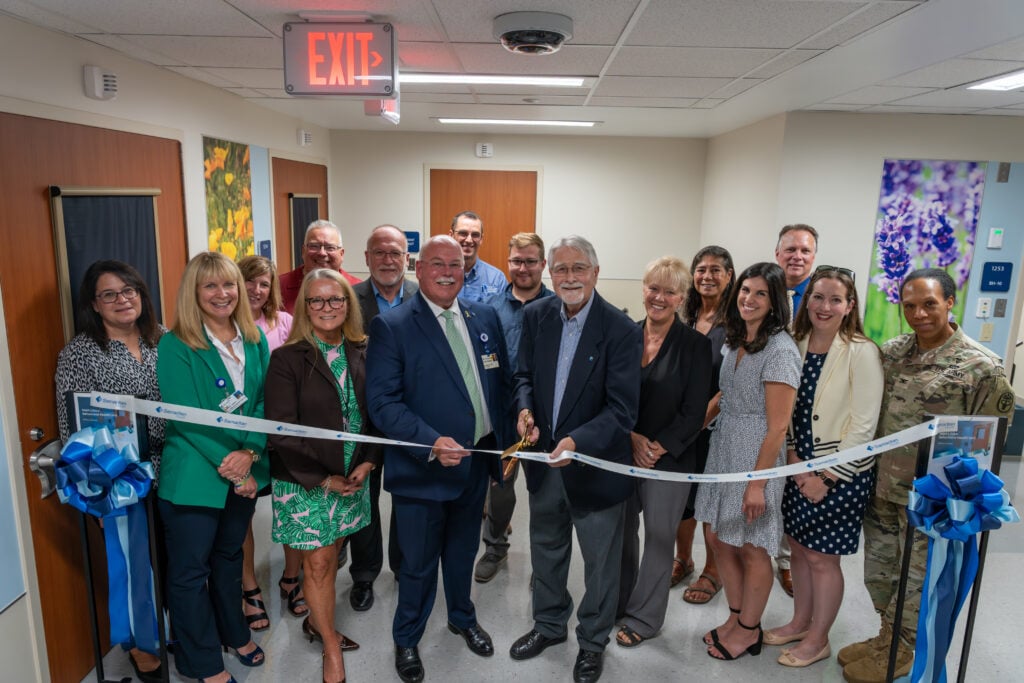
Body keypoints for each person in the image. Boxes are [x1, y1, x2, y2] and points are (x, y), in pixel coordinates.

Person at [839, 268, 1016, 683]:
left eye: (929, 304)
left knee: (917, 579)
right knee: (880, 573)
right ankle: (888, 634)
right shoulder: (892, 352)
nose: (918, 313)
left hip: (931, 500)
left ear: (950, 303)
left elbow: (989, 445)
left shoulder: (980, 367)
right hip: (882, 488)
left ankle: (906, 647)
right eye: (910, 305)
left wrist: (961, 509)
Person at [366, 235, 510, 683]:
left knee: (463, 552)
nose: (448, 271)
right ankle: (407, 637)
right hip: (424, 471)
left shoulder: (484, 316)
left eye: (456, 263)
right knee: (419, 563)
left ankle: (462, 618)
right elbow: (384, 404)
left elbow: (496, 386)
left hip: (475, 463)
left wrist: (505, 444)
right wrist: (431, 442)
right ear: (419, 268)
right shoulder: (393, 326)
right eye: (437, 264)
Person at [510, 235, 641, 683]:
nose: (569, 277)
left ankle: (592, 641)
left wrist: (575, 442)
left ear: (595, 273)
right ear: (550, 272)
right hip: (545, 467)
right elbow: (523, 375)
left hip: (594, 470)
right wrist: (525, 408)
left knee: (601, 564)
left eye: (578, 268)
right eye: (561, 269)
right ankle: (548, 625)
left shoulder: (622, 330)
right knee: (546, 550)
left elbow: (623, 411)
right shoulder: (535, 316)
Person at [761, 266, 883, 669]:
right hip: (797, 465)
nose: (825, 306)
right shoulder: (795, 343)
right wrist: (796, 462)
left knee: (822, 559)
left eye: (835, 299)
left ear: (849, 307)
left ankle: (818, 639)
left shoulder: (861, 351)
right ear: (806, 300)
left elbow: (864, 425)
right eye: (818, 297)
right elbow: (789, 412)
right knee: (796, 548)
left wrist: (826, 477)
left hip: (841, 474)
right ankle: (799, 621)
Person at [156, 251, 269, 683]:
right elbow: (183, 416)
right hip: (194, 478)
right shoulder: (176, 343)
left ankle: (233, 632)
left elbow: (261, 403)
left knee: (227, 558)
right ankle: (201, 661)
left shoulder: (253, 338)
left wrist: (251, 454)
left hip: (244, 468)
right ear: (194, 292)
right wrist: (236, 467)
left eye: (229, 284)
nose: (222, 294)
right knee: (189, 573)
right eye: (210, 286)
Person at [265, 268, 380, 683]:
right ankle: (330, 644)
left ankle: (316, 621)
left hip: (354, 476)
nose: (327, 307)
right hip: (306, 481)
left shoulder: (363, 350)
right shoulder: (287, 359)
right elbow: (282, 428)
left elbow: (374, 416)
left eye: (336, 299)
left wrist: (366, 462)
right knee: (317, 563)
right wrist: (322, 478)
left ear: (348, 305)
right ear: (304, 307)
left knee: (332, 556)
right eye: (317, 300)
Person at [54, 260, 166, 683]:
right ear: (94, 305)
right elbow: (73, 431)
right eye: (110, 294)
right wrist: (98, 492)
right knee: (133, 564)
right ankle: (142, 648)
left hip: (172, 464)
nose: (123, 300)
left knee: (170, 562)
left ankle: (165, 630)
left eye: (130, 290)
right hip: (121, 479)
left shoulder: (164, 338)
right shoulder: (80, 353)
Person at [694, 261, 801, 662]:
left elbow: (777, 427)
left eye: (760, 293)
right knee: (722, 536)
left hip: (756, 455)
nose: (748, 299)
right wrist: (693, 430)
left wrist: (757, 484)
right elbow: (723, 396)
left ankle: (749, 631)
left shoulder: (780, 350)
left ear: (775, 302)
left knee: (754, 547)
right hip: (724, 449)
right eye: (744, 290)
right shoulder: (736, 340)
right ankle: (736, 617)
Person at [615, 257, 712, 647]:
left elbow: (695, 410)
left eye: (669, 291)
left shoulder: (696, 346)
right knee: (620, 534)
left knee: (658, 535)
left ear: (682, 297)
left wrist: (657, 447)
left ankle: (645, 617)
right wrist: (633, 438)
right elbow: (611, 397)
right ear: (643, 289)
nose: (659, 297)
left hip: (669, 458)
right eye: (653, 288)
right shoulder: (625, 336)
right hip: (622, 450)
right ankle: (618, 603)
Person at [474, 232, 554, 583]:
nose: (523, 268)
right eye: (517, 261)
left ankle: (546, 563)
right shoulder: (488, 307)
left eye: (531, 261)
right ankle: (495, 547)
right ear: (508, 263)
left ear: (542, 264)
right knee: (500, 486)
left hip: (546, 416)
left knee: (546, 493)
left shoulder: (557, 307)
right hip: (501, 414)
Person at [348, 224, 419, 610]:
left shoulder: (421, 297)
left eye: (395, 253)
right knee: (365, 500)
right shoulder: (350, 299)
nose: (388, 260)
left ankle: (405, 567)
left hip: (411, 419)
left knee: (407, 496)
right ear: (367, 258)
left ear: (407, 258)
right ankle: (364, 574)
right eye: (380, 253)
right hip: (362, 419)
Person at [236, 255, 300, 631]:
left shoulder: (285, 324)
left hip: (285, 435)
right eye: (250, 281)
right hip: (245, 437)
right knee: (242, 515)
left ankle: (292, 577)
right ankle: (249, 588)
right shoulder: (226, 328)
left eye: (264, 283)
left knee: (290, 508)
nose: (257, 290)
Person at [676, 246, 735, 605]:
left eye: (716, 269)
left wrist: (700, 419)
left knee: (710, 501)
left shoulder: (736, 323)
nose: (707, 276)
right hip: (681, 427)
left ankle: (714, 570)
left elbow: (729, 382)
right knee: (682, 498)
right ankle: (683, 558)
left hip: (715, 427)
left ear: (729, 275)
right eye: (701, 269)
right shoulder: (685, 315)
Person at [772, 223, 819, 596]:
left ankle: (786, 561)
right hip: (767, 403)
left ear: (813, 257)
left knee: (795, 484)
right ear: (777, 254)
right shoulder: (763, 291)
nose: (797, 256)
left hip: (805, 406)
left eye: (804, 250)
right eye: (790, 249)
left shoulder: (821, 300)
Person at [280, 219, 360, 312]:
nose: (322, 253)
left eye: (330, 247)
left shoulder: (357, 290)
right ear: (303, 251)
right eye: (314, 246)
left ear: (341, 254)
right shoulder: (278, 287)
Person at [450, 210, 506, 303]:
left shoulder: (496, 278)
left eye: (475, 235)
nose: (469, 240)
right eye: (463, 233)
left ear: (481, 239)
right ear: (451, 235)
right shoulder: (439, 275)